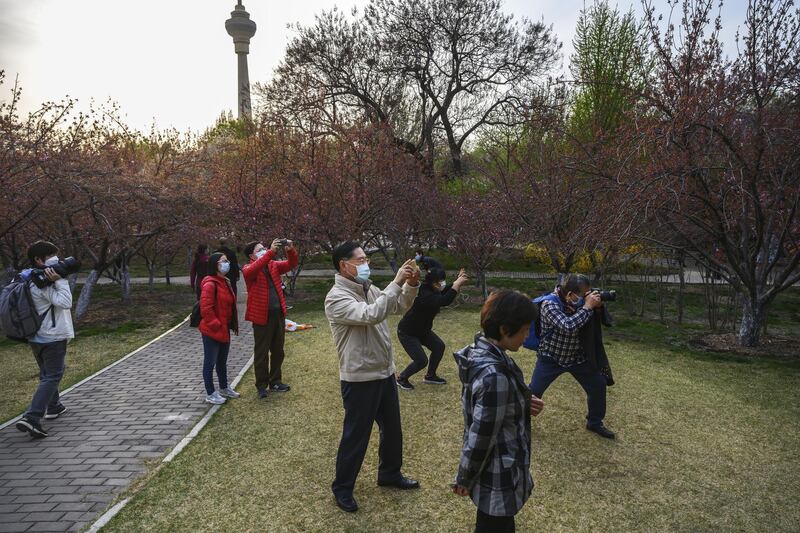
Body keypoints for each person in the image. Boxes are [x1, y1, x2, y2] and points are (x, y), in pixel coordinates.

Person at [324, 241, 421, 513]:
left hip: (384, 372)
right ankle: (342, 488)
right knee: (356, 436)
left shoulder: (369, 289)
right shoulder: (336, 297)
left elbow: (399, 306)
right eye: (361, 260)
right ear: (344, 265)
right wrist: (395, 281)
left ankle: (389, 473)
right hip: (360, 378)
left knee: (392, 430)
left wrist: (411, 284)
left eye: (366, 259)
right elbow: (371, 315)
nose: (366, 264)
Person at [452, 290, 545, 533]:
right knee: (494, 523)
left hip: (498, 466)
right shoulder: (494, 375)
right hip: (497, 470)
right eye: (525, 330)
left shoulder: (486, 354)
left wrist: (522, 401)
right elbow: (482, 434)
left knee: (497, 522)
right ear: (505, 329)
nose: (527, 336)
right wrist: (464, 477)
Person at [527, 273, 614, 439]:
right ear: (569, 294)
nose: (585, 298)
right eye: (582, 295)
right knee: (534, 392)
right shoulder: (549, 304)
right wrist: (588, 307)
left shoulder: (582, 301)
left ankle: (594, 422)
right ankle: (518, 421)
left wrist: (598, 307)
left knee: (598, 385)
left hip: (577, 357)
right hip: (550, 357)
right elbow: (567, 326)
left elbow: (605, 321)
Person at [15, 241, 75, 439]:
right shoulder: (41, 281)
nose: (55, 260)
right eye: (50, 257)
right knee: (53, 375)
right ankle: (32, 417)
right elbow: (65, 302)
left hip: (37, 337)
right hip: (52, 336)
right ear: (38, 260)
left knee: (47, 373)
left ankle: (54, 406)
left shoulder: (30, 277)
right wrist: (61, 279)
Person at [396, 265, 469, 389]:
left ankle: (430, 376)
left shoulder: (433, 288)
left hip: (423, 330)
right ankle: (401, 378)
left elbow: (444, 290)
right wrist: (457, 284)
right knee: (421, 360)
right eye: (441, 281)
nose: (443, 283)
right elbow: (444, 300)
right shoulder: (424, 293)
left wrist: (457, 282)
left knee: (439, 346)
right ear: (434, 283)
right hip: (408, 332)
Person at [242, 238, 299, 398]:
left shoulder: (272, 264)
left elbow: (291, 264)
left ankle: (275, 381)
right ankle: (261, 385)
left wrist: (290, 249)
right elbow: (253, 270)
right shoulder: (248, 268)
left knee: (278, 350)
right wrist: (271, 252)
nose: (264, 251)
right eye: (259, 250)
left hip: (278, 315)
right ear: (251, 256)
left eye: (264, 248)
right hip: (261, 317)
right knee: (261, 352)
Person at [199, 252, 240, 405]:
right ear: (215, 265)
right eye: (224, 261)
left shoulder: (225, 281)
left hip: (224, 328)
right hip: (212, 330)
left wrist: (230, 324)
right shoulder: (210, 284)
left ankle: (224, 387)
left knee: (222, 362)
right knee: (210, 363)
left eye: (227, 260)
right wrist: (216, 325)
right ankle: (210, 393)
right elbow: (206, 309)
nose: (227, 263)